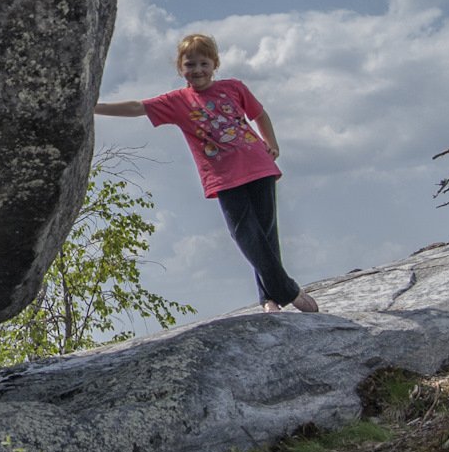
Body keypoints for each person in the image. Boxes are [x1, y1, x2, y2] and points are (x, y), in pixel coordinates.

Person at [94, 33, 319, 313]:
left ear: (215, 64)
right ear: (180, 68)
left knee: (265, 235)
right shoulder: (178, 101)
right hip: (224, 176)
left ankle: (269, 299)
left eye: (204, 63)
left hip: (258, 166)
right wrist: (93, 107)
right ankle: (288, 291)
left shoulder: (234, 88)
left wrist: (272, 144)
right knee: (245, 235)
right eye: (190, 64)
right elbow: (137, 107)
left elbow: (259, 114)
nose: (197, 70)